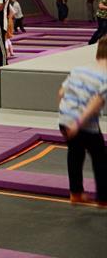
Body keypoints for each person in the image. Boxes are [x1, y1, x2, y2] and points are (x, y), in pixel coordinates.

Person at [56, 37, 106, 206]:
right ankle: (103, 197)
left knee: (75, 152)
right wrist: (77, 124)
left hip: (64, 119)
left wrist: (68, 113)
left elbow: (61, 92)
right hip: (82, 123)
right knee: (100, 157)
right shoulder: (104, 78)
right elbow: (95, 104)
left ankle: (76, 192)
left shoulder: (79, 70)